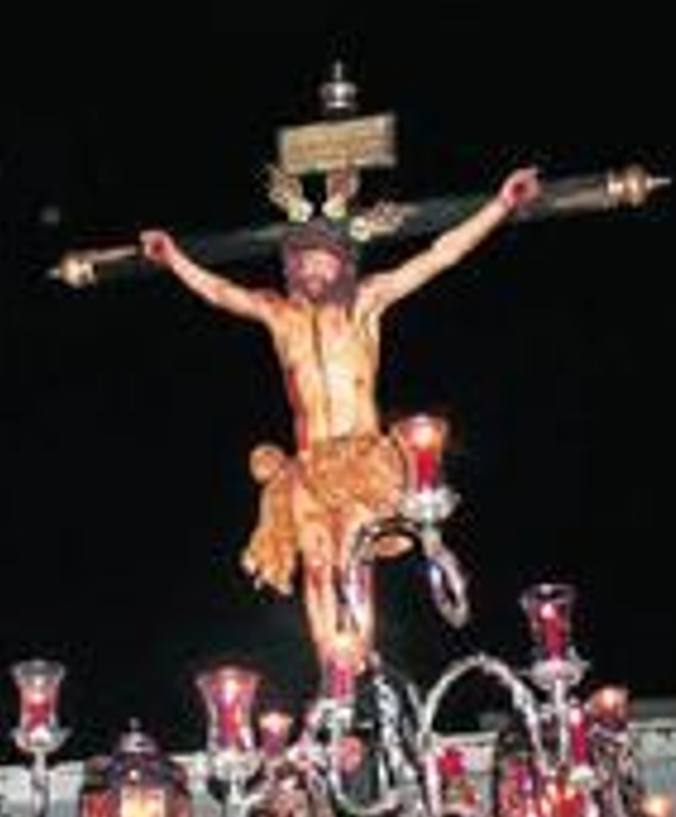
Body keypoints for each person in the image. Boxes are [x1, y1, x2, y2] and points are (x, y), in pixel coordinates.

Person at [139, 165, 541, 677]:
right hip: (307, 464)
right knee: (318, 565)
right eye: (303, 260)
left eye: (322, 260)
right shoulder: (278, 314)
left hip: (362, 459)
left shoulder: (365, 305)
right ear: (292, 267)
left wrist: (500, 205)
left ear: (342, 264)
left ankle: (356, 658)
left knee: (354, 560)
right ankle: (333, 670)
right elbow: (219, 292)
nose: (312, 269)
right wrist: (173, 257)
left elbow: (440, 256)